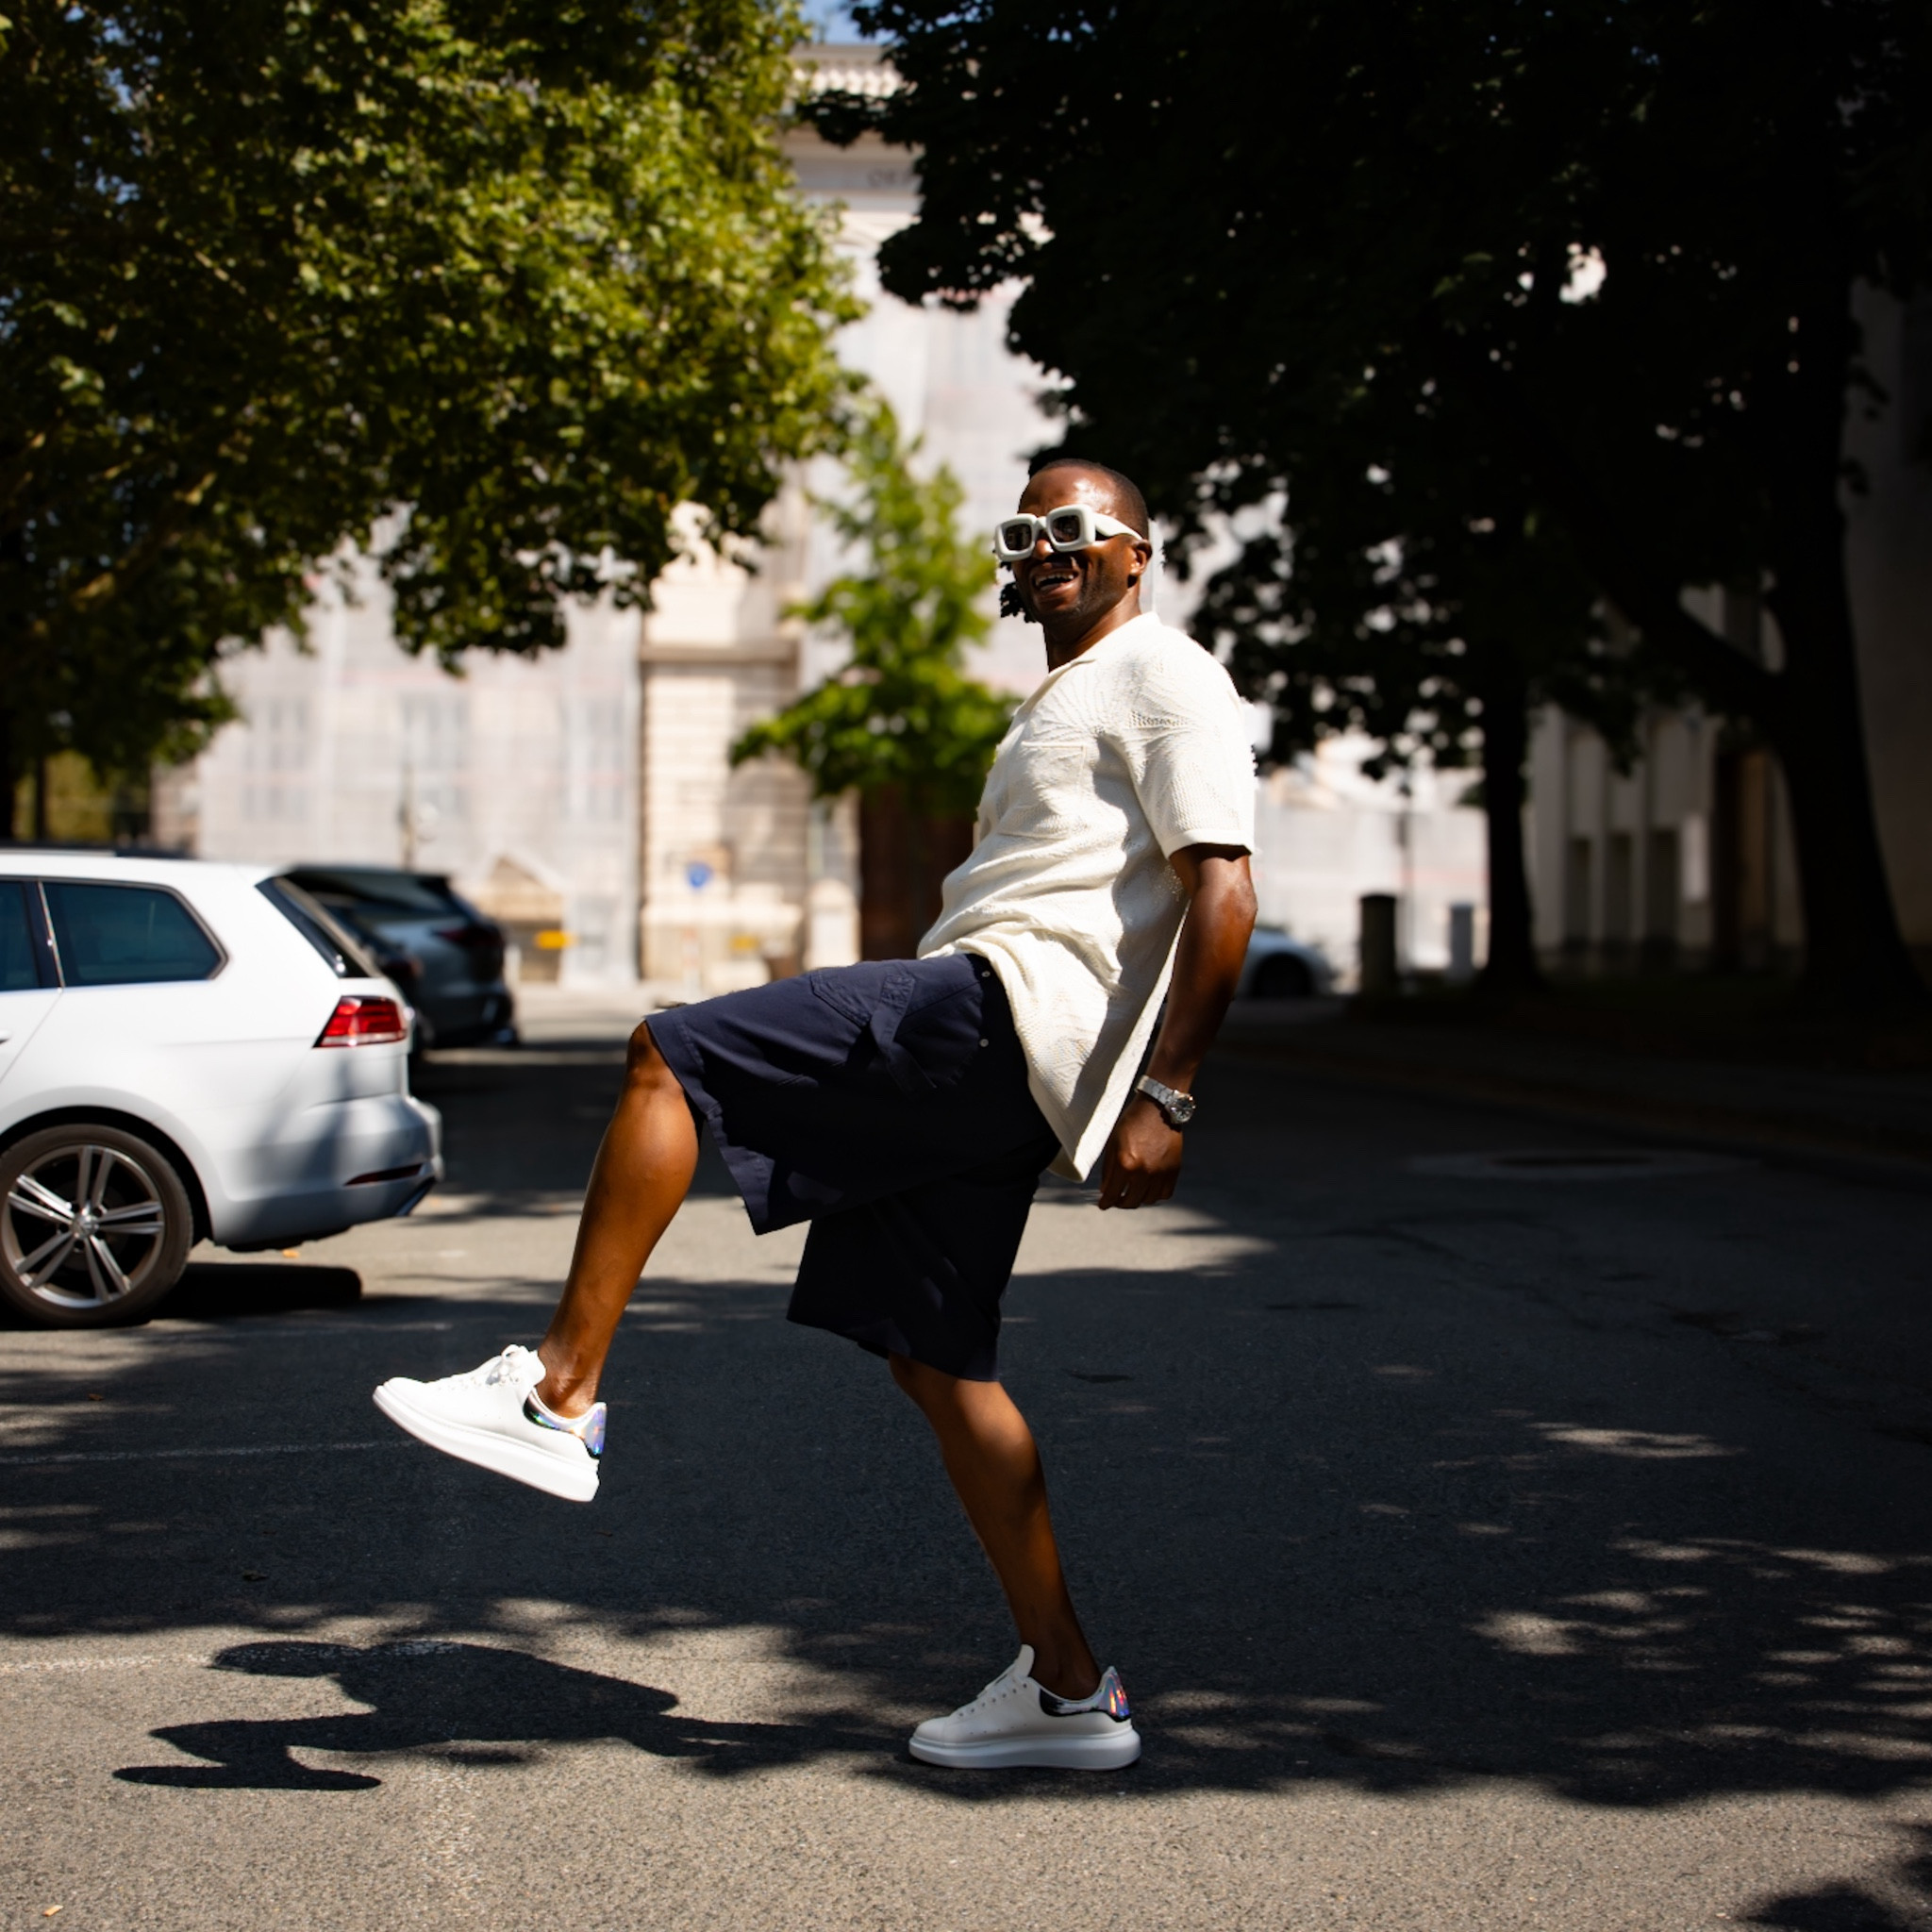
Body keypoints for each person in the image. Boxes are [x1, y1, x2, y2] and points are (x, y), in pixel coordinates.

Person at [374, 458, 1258, 1771]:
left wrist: (1168, 1095)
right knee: (939, 1365)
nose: (1045, 546)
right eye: (1024, 530)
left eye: (1077, 528)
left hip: (995, 1010)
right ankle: (1070, 1689)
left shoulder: (1167, 672)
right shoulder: (1066, 695)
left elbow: (1224, 892)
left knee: (666, 1060)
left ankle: (559, 1396)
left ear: (1140, 552)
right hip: (1006, 1057)